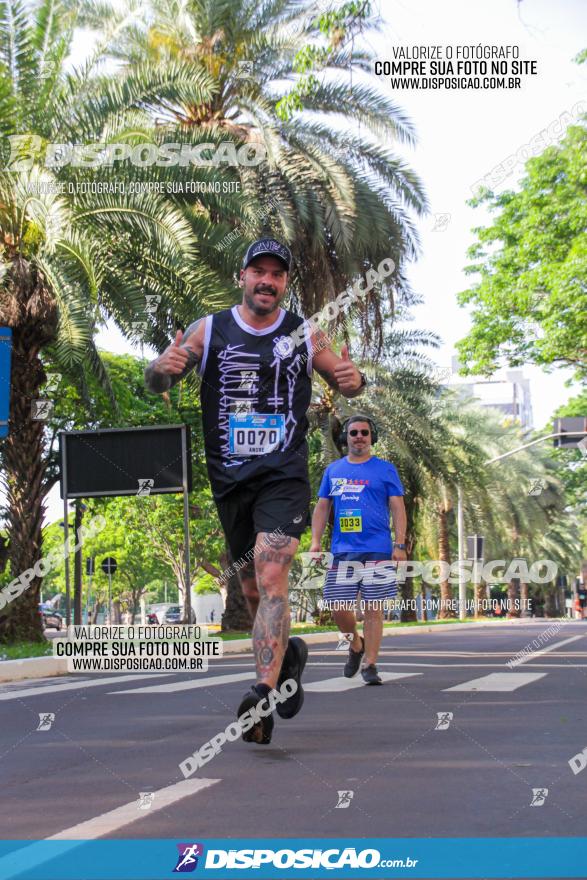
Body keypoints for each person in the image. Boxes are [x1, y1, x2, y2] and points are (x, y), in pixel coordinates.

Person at [144, 238, 366, 743]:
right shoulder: (209, 329)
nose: (267, 280)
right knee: (249, 588)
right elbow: (154, 378)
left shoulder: (305, 333)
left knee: (271, 570)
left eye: (277, 274)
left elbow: (345, 378)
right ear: (242, 277)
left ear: (285, 283)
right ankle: (290, 658)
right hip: (230, 479)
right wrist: (164, 370)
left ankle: (261, 693)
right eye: (258, 271)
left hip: (282, 474)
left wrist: (354, 380)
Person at [310, 415, 407, 684]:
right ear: (346, 438)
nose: (359, 437)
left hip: (378, 550)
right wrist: (315, 542)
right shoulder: (334, 470)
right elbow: (322, 507)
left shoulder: (385, 470)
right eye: (354, 433)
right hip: (343, 551)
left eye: (364, 432)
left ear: (371, 437)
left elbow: (398, 507)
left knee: (374, 609)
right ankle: (355, 645)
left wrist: (400, 544)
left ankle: (371, 664)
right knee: (339, 608)